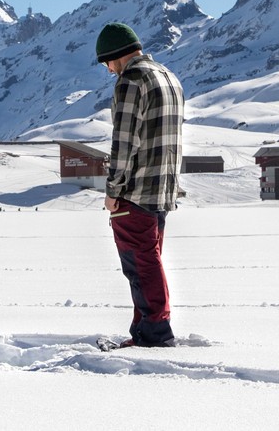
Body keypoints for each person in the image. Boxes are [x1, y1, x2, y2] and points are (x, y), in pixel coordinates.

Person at [96, 22, 184, 348]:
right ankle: (144, 330)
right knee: (149, 260)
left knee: (140, 265)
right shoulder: (167, 76)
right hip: (163, 189)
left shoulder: (131, 81)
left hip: (135, 191)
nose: (108, 71)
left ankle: (156, 335)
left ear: (114, 56)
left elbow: (123, 143)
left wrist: (113, 190)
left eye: (106, 63)